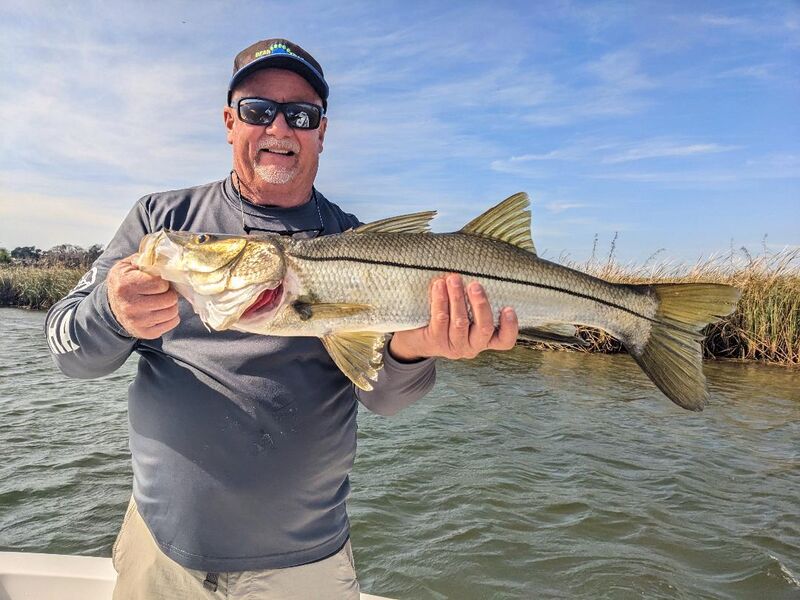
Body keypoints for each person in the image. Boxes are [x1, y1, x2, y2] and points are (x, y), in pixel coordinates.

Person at [44, 38, 519, 599]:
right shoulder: (160, 220)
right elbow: (67, 351)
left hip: (305, 568)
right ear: (229, 121)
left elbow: (386, 398)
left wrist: (414, 350)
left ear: (322, 131)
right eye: (257, 110)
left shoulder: (358, 243)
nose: (279, 128)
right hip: (162, 554)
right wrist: (112, 312)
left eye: (300, 114)